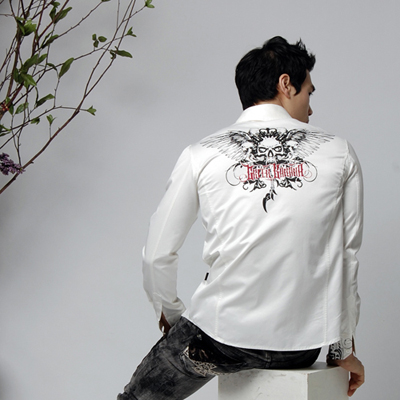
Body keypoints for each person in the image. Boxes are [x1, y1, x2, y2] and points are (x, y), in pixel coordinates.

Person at [117, 36, 365, 399]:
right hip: (302, 347)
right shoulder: (339, 152)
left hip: (219, 338)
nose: (311, 109)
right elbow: (347, 257)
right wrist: (342, 349)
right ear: (285, 84)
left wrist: (172, 317)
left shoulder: (201, 153)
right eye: (308, 93)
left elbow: (157, 255)